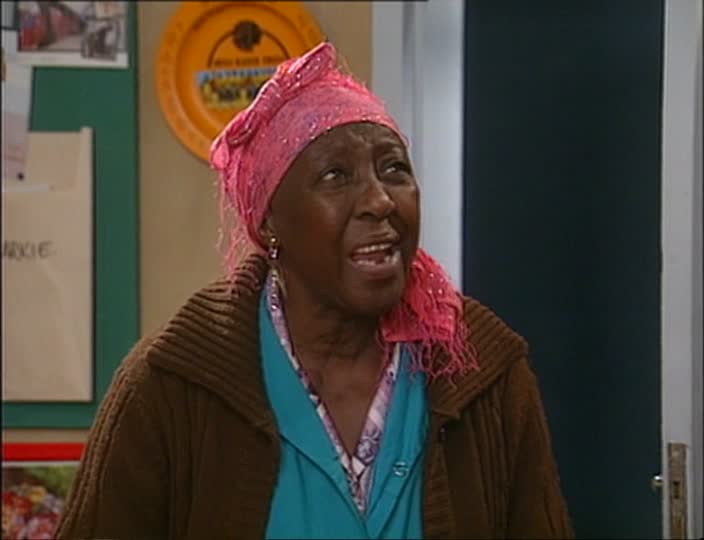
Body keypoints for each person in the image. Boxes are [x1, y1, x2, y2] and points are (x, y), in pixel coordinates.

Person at [56, 42, 573, 540]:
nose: (380, 201)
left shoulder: (484, 371)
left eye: (394, 169)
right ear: (270, 222)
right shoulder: (171, 387)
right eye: (336, 176)